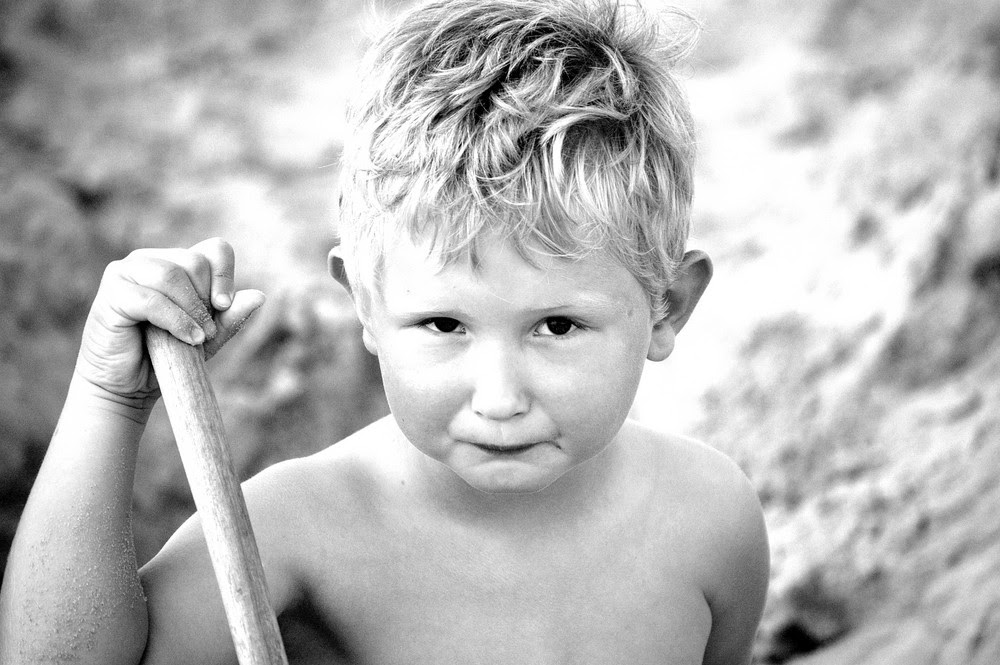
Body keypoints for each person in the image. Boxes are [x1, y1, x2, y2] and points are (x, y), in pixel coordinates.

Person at [0, 0, 770, 663]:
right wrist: (109, 400)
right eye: (445, 323)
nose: (499, 397)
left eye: (557, 325)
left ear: (666, 308)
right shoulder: (298, 528)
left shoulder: (709, 520)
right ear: (365, 305)